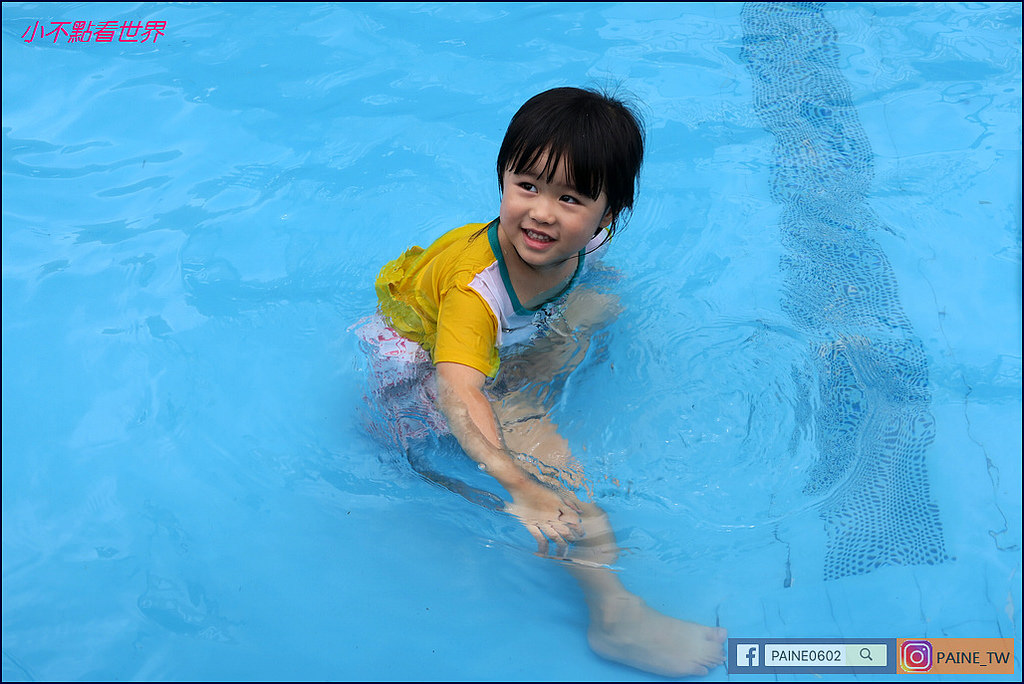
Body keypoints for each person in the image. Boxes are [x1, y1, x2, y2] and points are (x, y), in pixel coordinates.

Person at [357, 86, 726, 677]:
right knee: (569, 499)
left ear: (607, 216)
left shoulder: (582, 241)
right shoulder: (473, 293)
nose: (543, 212)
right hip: (424, 364)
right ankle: (615, 618)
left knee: (602, 305)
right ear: (502, 177)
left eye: (570, 198)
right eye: (526, 186)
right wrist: (517, 483)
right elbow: (459, 389)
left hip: (500, 338)